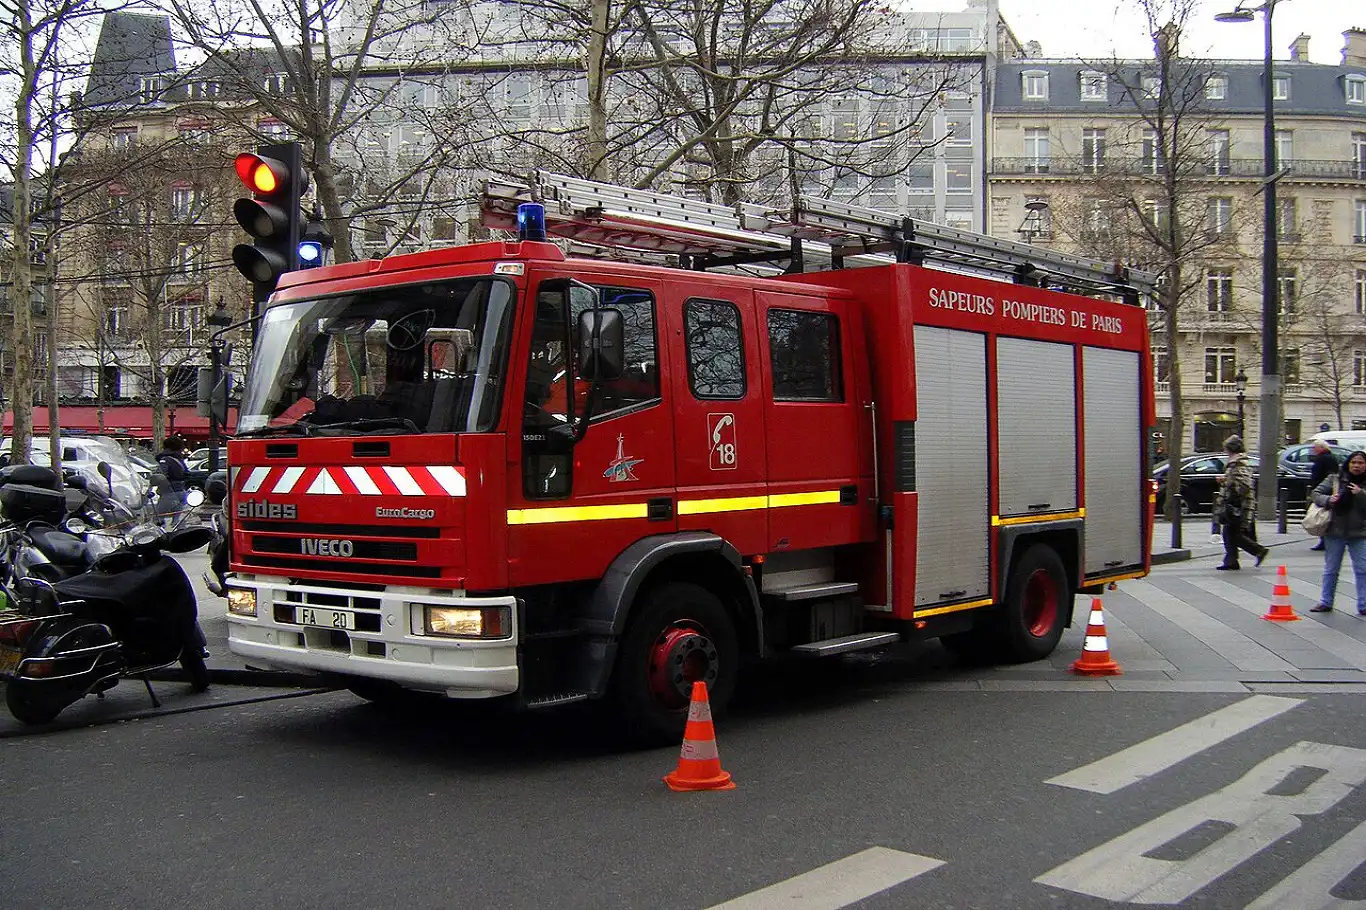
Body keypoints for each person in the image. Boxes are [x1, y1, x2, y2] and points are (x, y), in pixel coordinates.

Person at [1309, 450, 1366, 614]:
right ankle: (1326, 602)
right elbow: (1316, 493)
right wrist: (1328, 500)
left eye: (1361, 463)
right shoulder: (1335, 479)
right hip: (1335, 530)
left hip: (1360, 532)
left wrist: (1360, 494)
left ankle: (1363, 605)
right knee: (1331, 569)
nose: (1356, 466)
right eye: (1354, 462)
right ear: (1348, 463)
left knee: (1362, 569)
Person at [1216, 435, 1268, 570]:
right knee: (1230, 533)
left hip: (1238, 505)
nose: (1224, 450)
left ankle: (1258, 550)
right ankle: (1231, 560)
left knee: (1232, 533)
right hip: (1236, 504)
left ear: (1230, 449)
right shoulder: (1236, 462)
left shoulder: (1238, 463)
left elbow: (1243, 485)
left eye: (1226, 448)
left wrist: (1226, 482)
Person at [1307, 441, 1340, 551]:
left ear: (1321, 448)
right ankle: (1324, 539)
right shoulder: (1329, 457)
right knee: (1325, 516)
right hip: (1324, 490)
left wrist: (1318, 489)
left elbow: (1329, 476)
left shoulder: (1324, 458)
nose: (1313, 449)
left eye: (1315, 447)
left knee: (1323, 516)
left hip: (1324, 491)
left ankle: (1325, 539)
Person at [156, 434, 189, 519]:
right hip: (181, 490)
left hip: (169, 492)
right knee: (178, 520)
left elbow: (161, 475)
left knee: (158, 518)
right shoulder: (179, 459)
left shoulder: (165, 459)